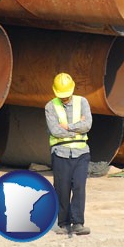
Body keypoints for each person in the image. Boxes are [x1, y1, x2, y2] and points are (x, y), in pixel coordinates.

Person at [45, 72, 92, 236]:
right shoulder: (50, 106)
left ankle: (78, 223)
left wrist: (68, 127)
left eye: (67, 95)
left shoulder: (82, 102)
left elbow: (87, 125)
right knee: (62, 189)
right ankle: (63, 223)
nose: (65, 98)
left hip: (81, 153)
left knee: (79, 187)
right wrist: (76, 127)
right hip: (60, 153)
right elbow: (55, 130)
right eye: (62, 96)